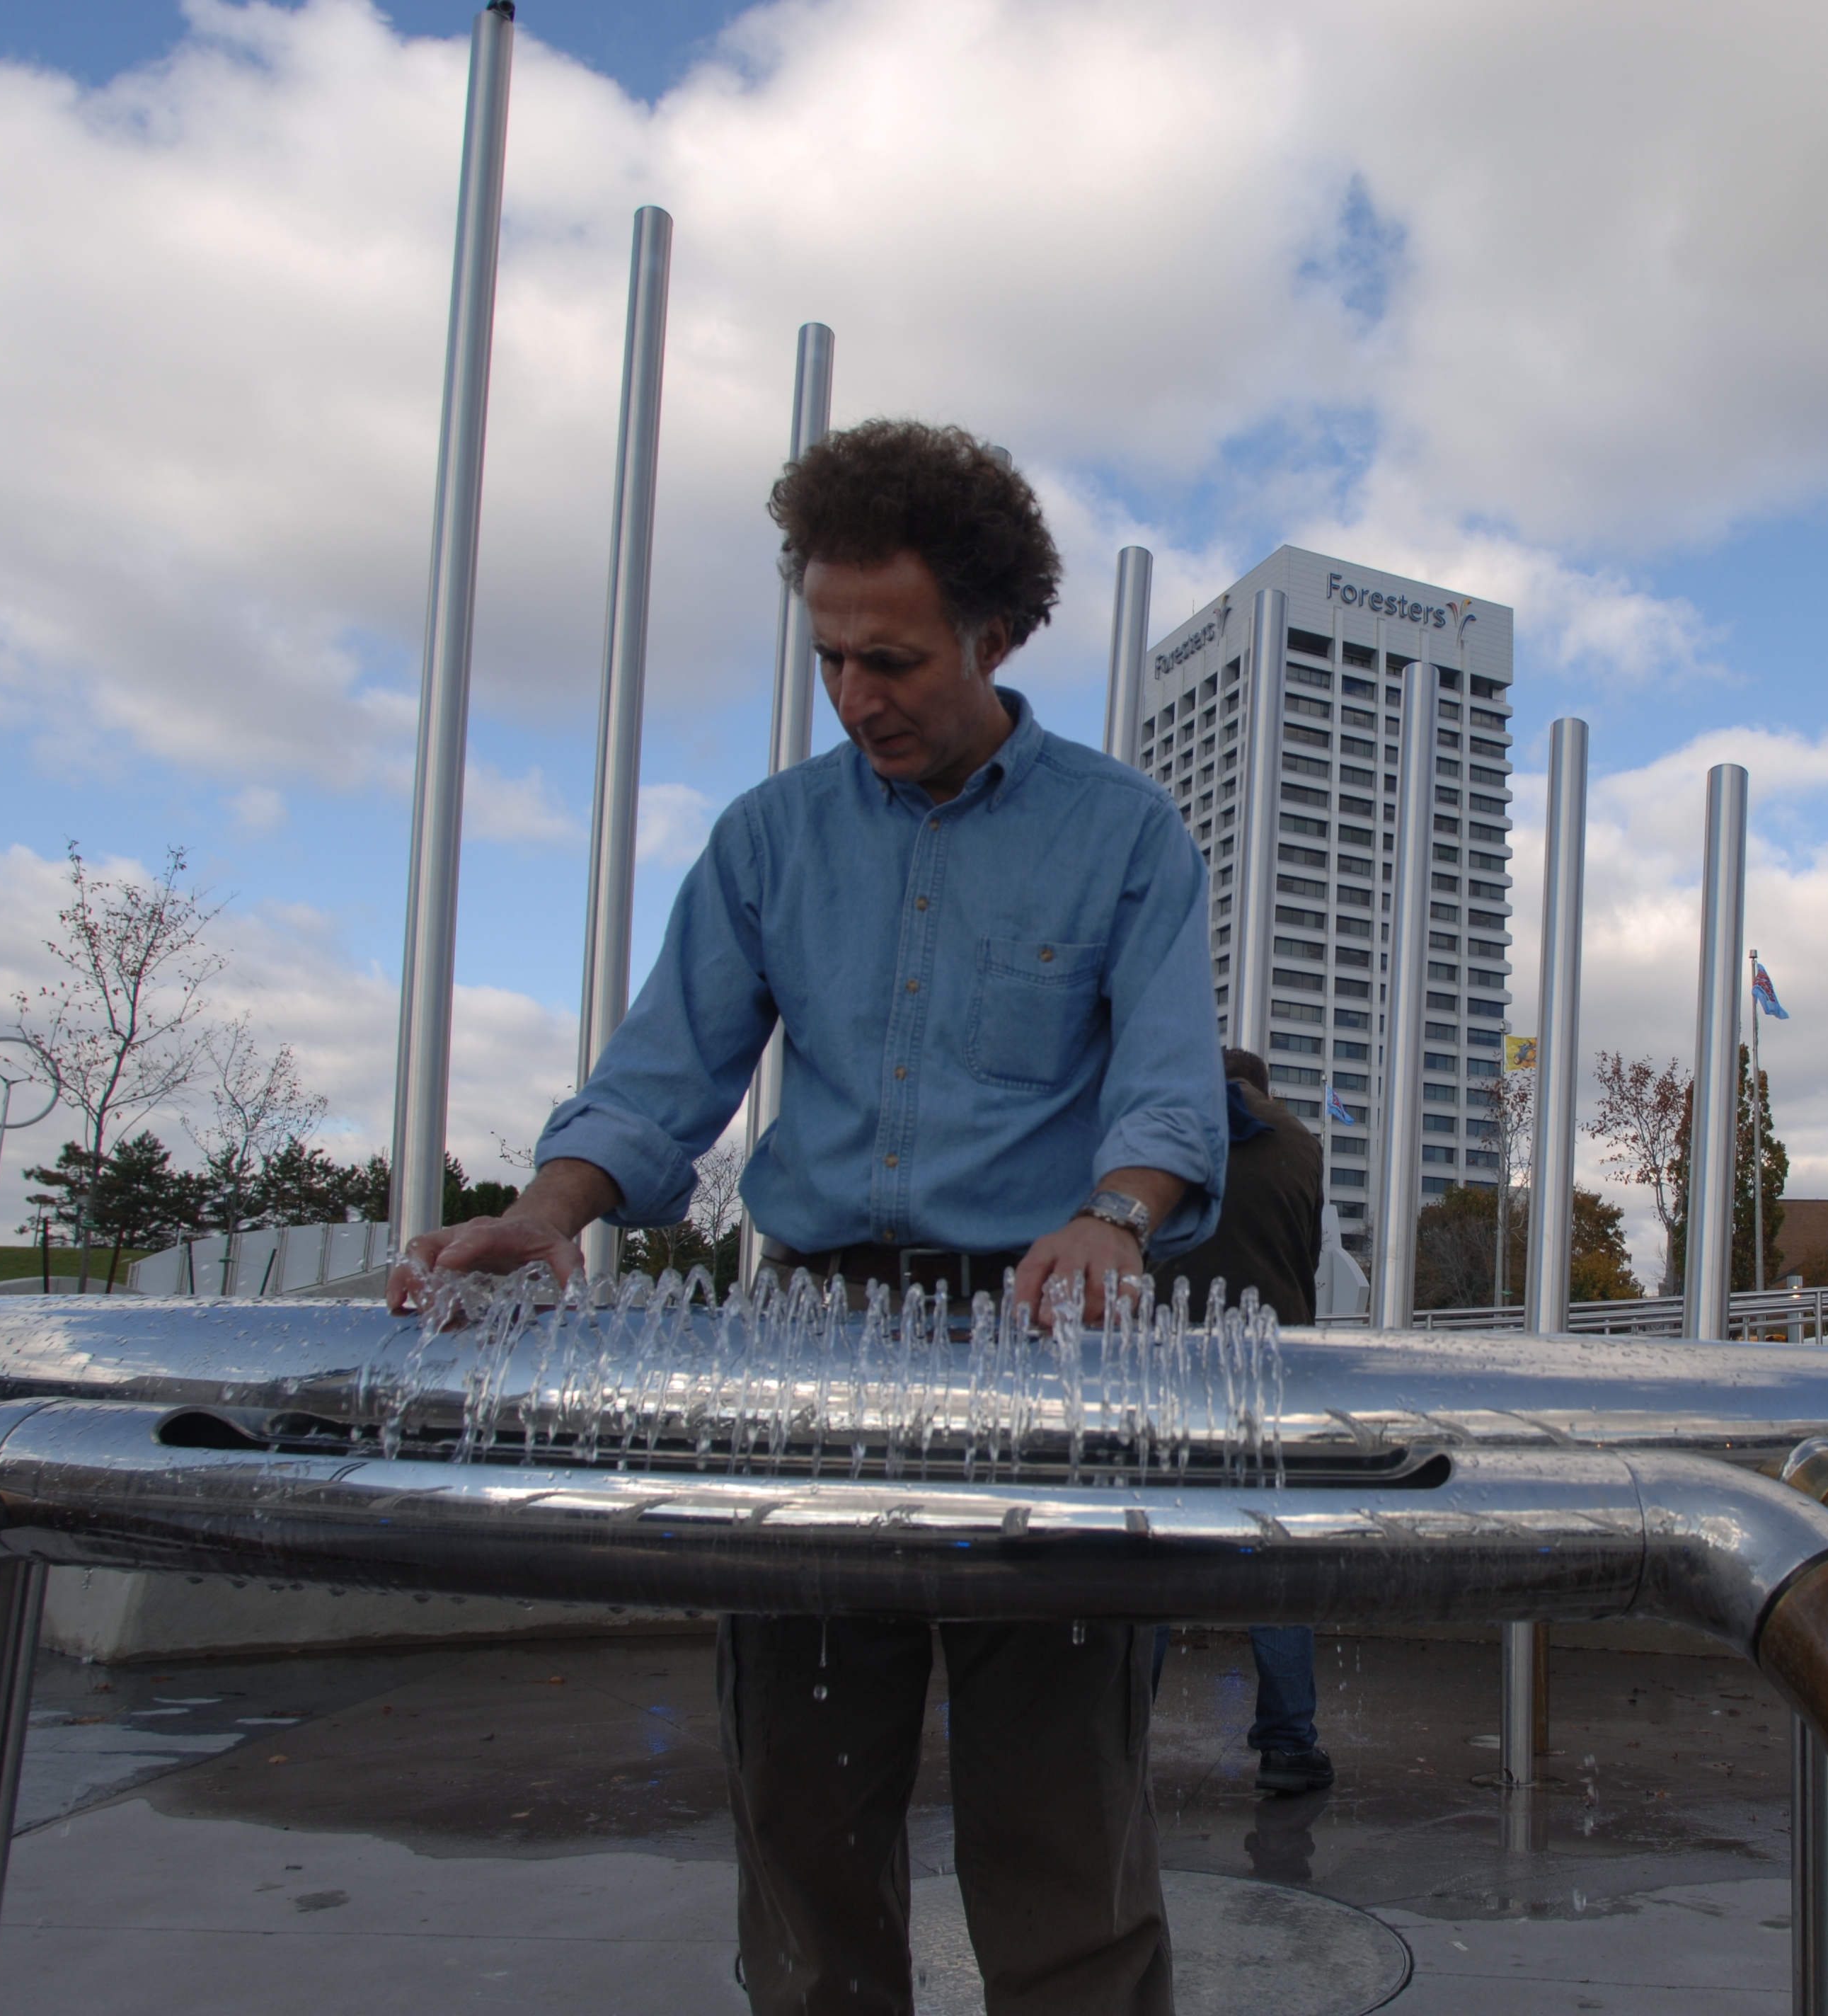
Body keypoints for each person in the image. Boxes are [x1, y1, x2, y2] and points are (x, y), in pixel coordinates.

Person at [397, 418, 1226, 2016]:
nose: (855, 695)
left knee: (1062, 1819)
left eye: (892, 658)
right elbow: (661, 1074)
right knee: (801, 1802)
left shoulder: (1123, 832)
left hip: (1041, 1342)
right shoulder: (768, 837)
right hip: (810, 1344)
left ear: (996, 634)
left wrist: (1116, 1216)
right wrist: (548, 1207)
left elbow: (1171, 1093)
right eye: (831, 656)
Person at [1155, 1047, 1333, 1794]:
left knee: (1152, 1561)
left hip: (1170, 1371)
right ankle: (1289, 1744)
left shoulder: (1173, 1129)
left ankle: (1119, 1732)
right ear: (1264, 1089)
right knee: (1274, 1564)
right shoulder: (1301, 1145)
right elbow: (1305, 1258)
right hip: (1269, 1374)